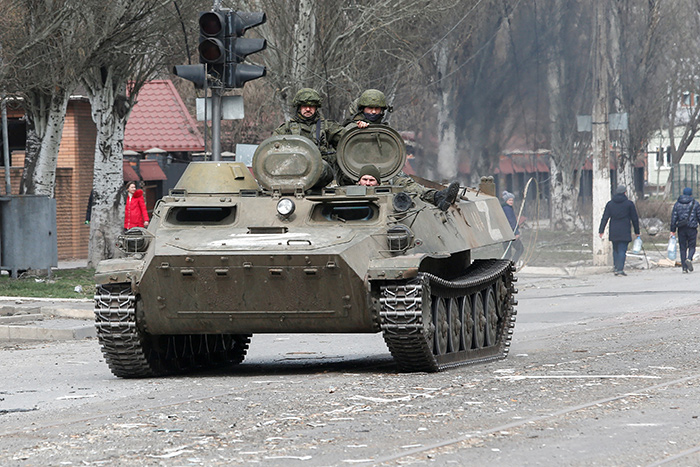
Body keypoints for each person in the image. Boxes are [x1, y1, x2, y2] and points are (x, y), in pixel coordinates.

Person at [343, 89, 460, 211]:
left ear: (382, 111)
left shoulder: (383, 129)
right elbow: (343, 151)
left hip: (381, 171)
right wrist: (356, 128)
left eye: (377, 109)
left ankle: (436, 197)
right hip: (354, 173)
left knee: (404, 181)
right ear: (362, 109)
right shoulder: (352, 128)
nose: (373, 112)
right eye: (369, 108)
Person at [274, 88, 344, 188]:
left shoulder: (327, 127)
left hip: (321, 177)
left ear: (316, 108)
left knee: (322, 167)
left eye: (311, 106)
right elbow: (271, 150)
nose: (308, 109)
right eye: (305, 106)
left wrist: (358, 125)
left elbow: (348, 140)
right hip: (294, 175)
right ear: (299, 107)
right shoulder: (285, 129)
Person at [598, 185, 640, 276]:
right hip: (624, 229)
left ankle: (616, 267)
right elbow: (634, 218)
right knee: (622, 250)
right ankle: (620, 269)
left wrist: (601, 230)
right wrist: (637, 231)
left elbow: (605, 217)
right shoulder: (629, 204)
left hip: (614, 229)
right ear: (625, 193)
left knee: (615, 249)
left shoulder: (610, 204)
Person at [670, 187, 700, 273]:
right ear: (691, 194)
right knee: (691, 246)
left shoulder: (677, 204)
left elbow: (674, 218)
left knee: (682, 248)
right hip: (692, 228)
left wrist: (672, 229)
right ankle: (689, 258)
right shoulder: (695, 203)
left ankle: (684, 267)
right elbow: (699, 216)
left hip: (681, 228)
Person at [501, 191, 524, 265]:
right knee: (520, 249)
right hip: (510, 233)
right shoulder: (507, 209)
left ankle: (506, 266)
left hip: (505, 234)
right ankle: (512, 264)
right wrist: (516, 232)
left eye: (512, 200)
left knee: (507, 253)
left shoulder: (505, 208)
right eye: (509, 200)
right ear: (506, 201)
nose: (511, 202)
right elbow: (511, 221)